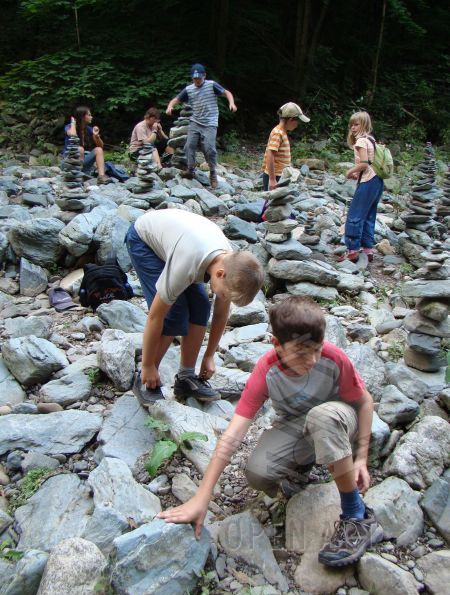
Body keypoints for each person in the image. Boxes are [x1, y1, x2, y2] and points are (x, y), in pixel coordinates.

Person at [157, 295, 384, 568]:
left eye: (317, 349)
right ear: (276, 344)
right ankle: (302, 468)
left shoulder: (334, 358)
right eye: (302, 353)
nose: (312, 360)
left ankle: (357, 514)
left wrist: (361, 458)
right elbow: (234, 433)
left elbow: (364, 402)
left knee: (322, 418)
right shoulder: (266, 370)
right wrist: (202, 496)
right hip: (296, 424)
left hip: (337, 419)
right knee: (258, 472)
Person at [126, 209, 264, 404]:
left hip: (183, 242)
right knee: (175, 314)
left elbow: (220, 314)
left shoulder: (230, 267)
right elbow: (156, 316)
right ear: (220, 274)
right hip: (144, 240)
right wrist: (147, 365)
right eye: (225, 295)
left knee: (201, 306)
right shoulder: (188, 263)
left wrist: (209, 356)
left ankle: (186, 377)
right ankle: (144, 378)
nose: (224, 298)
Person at [166, 63, 237, 189]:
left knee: (209, 148)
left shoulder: (211, 85)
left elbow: (227, 93)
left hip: (210, 123)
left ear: (204, 76)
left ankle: (213, 173)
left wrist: (231, 103)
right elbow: (176, 99)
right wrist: (170, 106)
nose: (197, 80)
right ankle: (190, 169)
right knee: (189, 145)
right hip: (196, 121)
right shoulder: (189, 89)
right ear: (192, 78)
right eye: (195, 78)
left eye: (199, 78)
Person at [338, 111, 384, 263]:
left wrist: (349, 171)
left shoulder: (361, 142)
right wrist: (357, 174)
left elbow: (364, 163)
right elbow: (369, 164)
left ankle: (352, 250)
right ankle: (367, 249)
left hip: (368, 182)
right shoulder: (372, 140)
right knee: (369, 215)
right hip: (377, 181)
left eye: (356, 124)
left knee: (355, 216)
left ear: (364, 125)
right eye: (351, 125)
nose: (353, 128)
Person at [262, 102, 310, 192]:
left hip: (280, 175)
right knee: (272, 200)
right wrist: (272, 179)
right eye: (297, 121)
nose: (297, 124)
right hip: (275, 176)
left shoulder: (282, 132)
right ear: (291, 119)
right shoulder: (278, 133)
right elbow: (270, 154)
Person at [64, 106, 112, 185]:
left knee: (98, 149)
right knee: (80, 149)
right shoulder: (69, 127)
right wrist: (73, 123)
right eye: (89, 115)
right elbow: (72, 135)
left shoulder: (88, 129)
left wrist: (96, 136)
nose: (91, 117)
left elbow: (101, 146)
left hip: (82, 162)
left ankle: (101, 176)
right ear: (82, 117)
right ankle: (77, 175)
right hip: (69, 163)